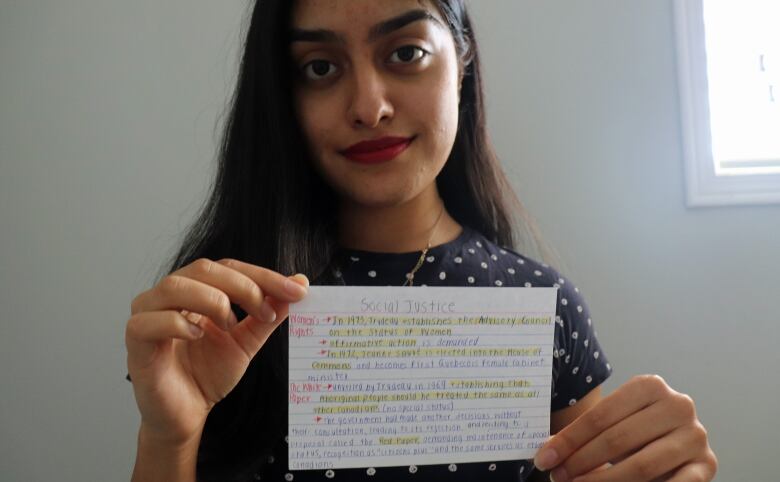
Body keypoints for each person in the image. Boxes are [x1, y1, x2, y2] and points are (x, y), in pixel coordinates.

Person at [124, 1, 718, 481]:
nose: (369, 106)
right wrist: (168, 437)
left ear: (460, 63)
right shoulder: (221, 311)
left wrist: (663, 466)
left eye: (406, 53)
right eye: (321, 67)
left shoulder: (542, 305)